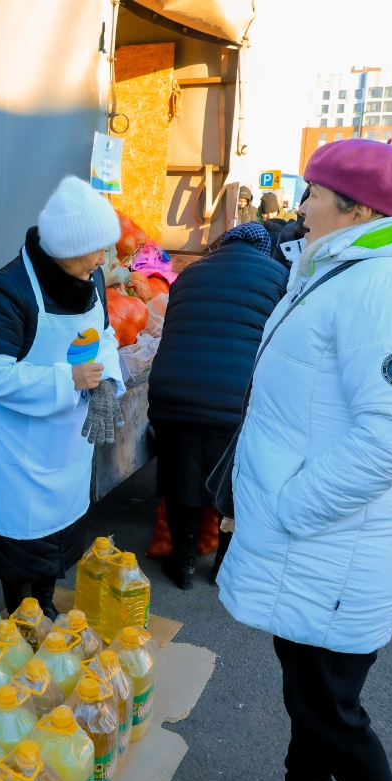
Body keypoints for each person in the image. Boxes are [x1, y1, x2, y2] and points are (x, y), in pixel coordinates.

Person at [218, 139, 392, 781]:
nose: (299, 209)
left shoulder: (388, 283)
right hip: (327, 546)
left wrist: (287, 509)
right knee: (314, 701)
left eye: (313, 195)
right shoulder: (349, 267)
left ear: (356, 210)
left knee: (331, 713)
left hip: (333, 544)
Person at [0, 176, 125, 618]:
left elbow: (105, 336)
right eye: (96, 250)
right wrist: (69, 379)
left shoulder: (91, 279)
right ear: (66, 247)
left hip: (68, 442)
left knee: (60, 534)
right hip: (21, 448)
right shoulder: (8, 288)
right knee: (21, 542)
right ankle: (22, 617)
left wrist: (108, 383)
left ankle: (45, 605)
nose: (103, 261)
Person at [147, 222, 286, 589]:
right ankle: (223, 566)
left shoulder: (191, 272)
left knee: (181, 480)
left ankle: (184, 565)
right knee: (233, 484)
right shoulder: (276, 275)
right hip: (233, 400)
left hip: (173, 393)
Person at [259, 191, 288, 260]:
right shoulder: (255, 221)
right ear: (261, 212)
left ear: (277, 210)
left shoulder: (289, 220)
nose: (269, 216)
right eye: (266, 213)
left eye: (272, 213)